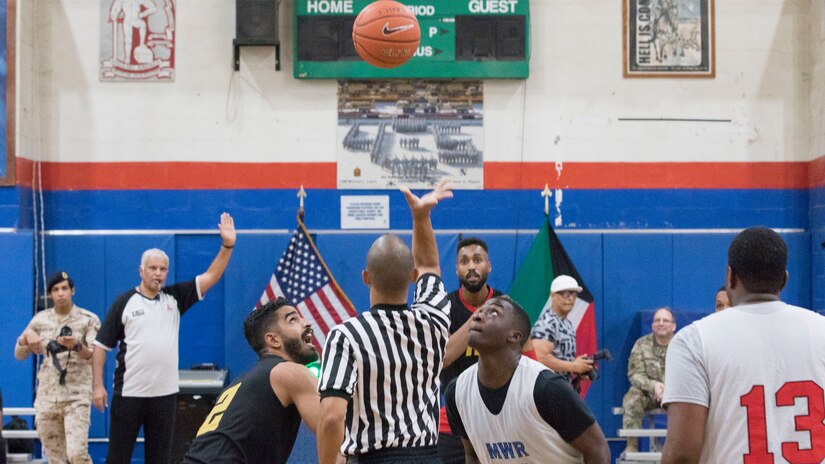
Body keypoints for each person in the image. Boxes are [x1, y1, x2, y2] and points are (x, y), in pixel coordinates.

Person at [317, 180, 453, 464]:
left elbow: (331, 417)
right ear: (412, 276)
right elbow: (429, 264)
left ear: (366, 277)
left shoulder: (346, 335)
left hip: (373, 458)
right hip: (428, 457)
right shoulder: (434, 321)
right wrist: (421, 217)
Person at [661, 227, 825, 463]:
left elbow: (682, 455)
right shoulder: (821, 329)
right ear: (784, 279)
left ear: (730, 277)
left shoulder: (694, 340)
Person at [92, 212, 236, 464]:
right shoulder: (124, 303)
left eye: (162, 269)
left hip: (165, 396)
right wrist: (97, 386)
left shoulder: (175, 298)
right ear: (141, 270)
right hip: (129, 394)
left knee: (160, 459)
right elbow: (101, 346)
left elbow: (211, 276)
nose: (157, 273)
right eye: (152, 268)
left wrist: (227, 245)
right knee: (117, 457)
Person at [445, 296, 610, 464]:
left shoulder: (546, 387)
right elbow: (473, 455)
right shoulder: (457, 392)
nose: (477, 316)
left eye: (494, 313)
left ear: (515, 336)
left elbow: (598, 449)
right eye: (480, 312)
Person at [183, 297, 321, 464]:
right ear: (273, 340)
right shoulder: (288, 372)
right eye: (293, 320)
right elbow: (332, 425)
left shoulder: (239, 384)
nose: (306, 323)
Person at [439, 237, 535, 464]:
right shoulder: (445, 308)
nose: (471, 266)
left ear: (488, 266)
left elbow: (531, 360)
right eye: (464, 261)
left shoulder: (509, 309)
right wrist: (482, 312)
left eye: (477, 259)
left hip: (500, 421)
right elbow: (442, 358)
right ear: (457, 269)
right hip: (453, 423)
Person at [14, 271, 100, 464]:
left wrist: (76, 346)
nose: (61, 293)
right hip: (47, 399)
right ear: (50, 294)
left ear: (72, 290)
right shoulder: (40, 320)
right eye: (55, 290)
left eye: (64, 288)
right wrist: (25, 337)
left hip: (76, 397)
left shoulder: (88, 319)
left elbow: (95, 355)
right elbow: (19, 355)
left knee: (77, 455)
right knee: (56, 459)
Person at [621, 307, 676, 455]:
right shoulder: (641, 344)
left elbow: (689, 375)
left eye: (665, 320)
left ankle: (676, 448)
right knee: (632, 396)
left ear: (673, 326)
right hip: (648, 394)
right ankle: (632, 444)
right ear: (652, 325)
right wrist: (653, 386)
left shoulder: (682, 344)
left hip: (675, 394)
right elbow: (634, 375)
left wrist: (668, 390)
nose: (661, 323)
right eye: (657, 320)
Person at [531, 275, 593, 391]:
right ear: (553, 296)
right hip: (547, 392)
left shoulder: (566, 323)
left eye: (574, 294)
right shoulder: (547, 322)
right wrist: (573, 366)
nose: (571, 298)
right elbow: (539, 356)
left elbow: (558, 361)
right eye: (565, 293)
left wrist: (577, 368)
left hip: (561, 391)